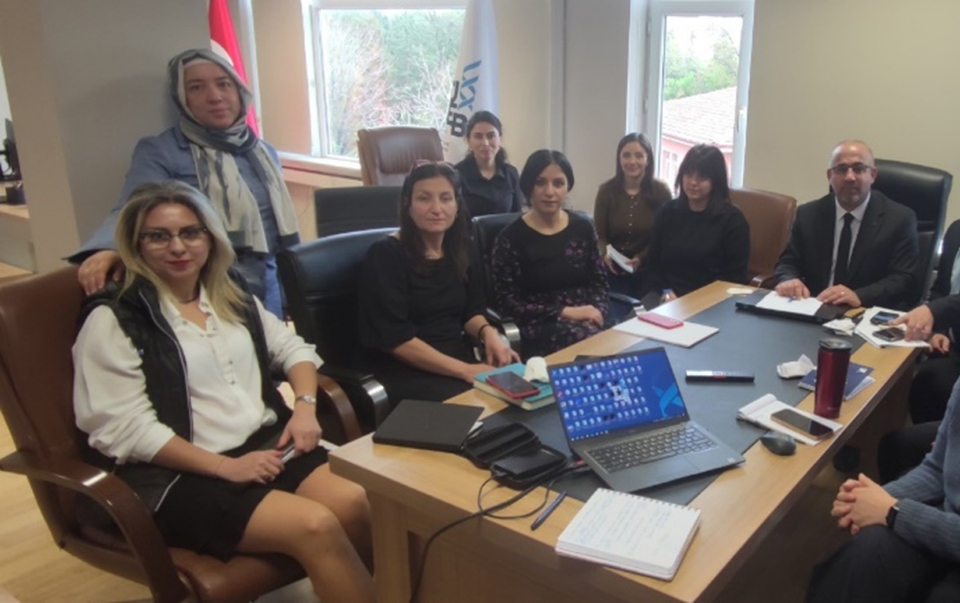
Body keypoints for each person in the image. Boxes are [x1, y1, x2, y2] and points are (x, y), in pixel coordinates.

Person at [72, 181, 374, 603]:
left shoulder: (228, 293)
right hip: (182, 475)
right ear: (135, 245)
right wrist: (223, 468)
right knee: (316, 526)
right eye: (158, 236)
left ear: (210, 237)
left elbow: (291, 348)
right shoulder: (115, 318)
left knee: (360, 501)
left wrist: (305, 408)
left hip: (267, 446)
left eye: (190, 232)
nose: (178, 247)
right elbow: (123, 427)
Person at [70, 48, 300, 318]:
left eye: (224, 84)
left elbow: (277, 230)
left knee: (269, 342)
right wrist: (109, 248)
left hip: (269, 277)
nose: (215, 96)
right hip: (208, 281)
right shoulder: (162, 151)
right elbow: (133, 207)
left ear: (239, 91)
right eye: (196, 87)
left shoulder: (262, 151)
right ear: (182, 98)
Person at [358, 162, 518, 405]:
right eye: (424, 198)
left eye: (446, 198)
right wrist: (464, 370)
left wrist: (489, 334)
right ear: (408, 204)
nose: (436, 209)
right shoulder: (385, 255)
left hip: (457, 355)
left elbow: (471, 311)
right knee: (481, 409)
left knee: (521, 398)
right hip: (406, 368)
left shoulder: (462, 248)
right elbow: (395, 340)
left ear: (457, 205)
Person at [806, 379, 960, 603]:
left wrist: (894, 512)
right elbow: (937, 469)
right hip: (946, 523)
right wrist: (867, 499)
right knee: (866, 553)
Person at [491, 150, 609, 358]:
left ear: (567, 187)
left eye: (558, 183)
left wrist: (595, 312)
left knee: (625, 342)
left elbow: (599, 282)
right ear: (528, 186)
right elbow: (508, 303)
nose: (549, 192)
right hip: (540, 324)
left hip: (589, 320)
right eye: (540, 183)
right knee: (595, 347)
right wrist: (565, 312)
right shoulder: (509, 238)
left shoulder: (583, 227)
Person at [774, 139, 919, 310]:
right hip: (814, 307)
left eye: (858, 168)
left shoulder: (899, 219)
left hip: (865, 311)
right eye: (841, 169)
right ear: (830, 176)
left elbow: (903, 279)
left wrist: (859, 295)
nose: (850, 177)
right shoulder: (808, 214)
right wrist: (789, 279)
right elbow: (788, 262)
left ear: (873, 175)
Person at [641, 144, 750, 300]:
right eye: (688, 174)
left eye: (702, 177)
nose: (693, 182)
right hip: (666, 297)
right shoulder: (667, 212)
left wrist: (692, 301)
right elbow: (653, 266)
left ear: (716, 181)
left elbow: (733, 278)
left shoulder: (733, 221)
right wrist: (666, 292)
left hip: (710, 301)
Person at [593, 133, 672, 297]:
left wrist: (641, 258)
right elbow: (599, 234)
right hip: (612, 269)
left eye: (639, 156)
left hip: (648, 271)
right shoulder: (606, 191)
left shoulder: (661, 192)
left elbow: (665, 236)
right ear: (619, 159)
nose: (632, 161)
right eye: (626, 155)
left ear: (648, 159)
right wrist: (604, 254)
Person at [453, 110, 524, 217]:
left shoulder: (511, 173)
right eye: (478, 137)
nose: (485, 143)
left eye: (491, 136)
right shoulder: (457, 174)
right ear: (469, 141)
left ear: (500, 139)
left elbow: (517, 216)